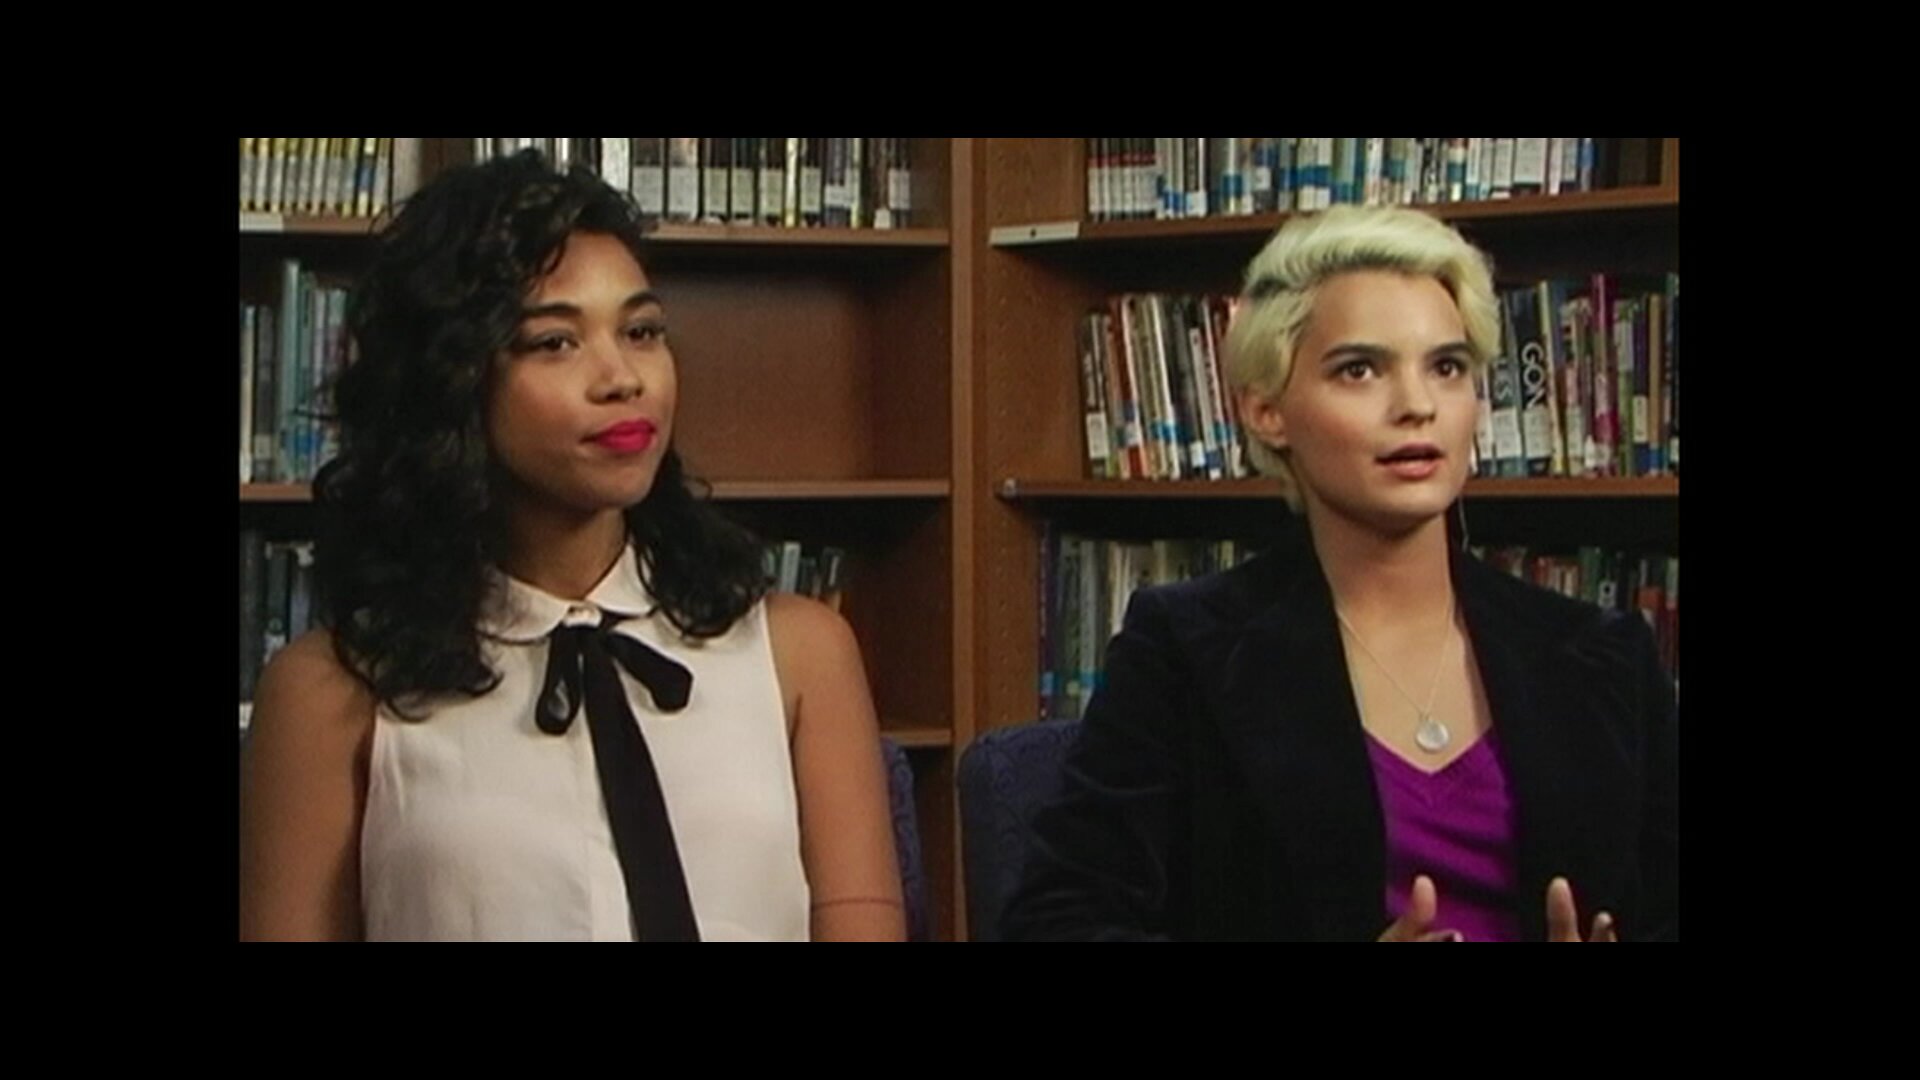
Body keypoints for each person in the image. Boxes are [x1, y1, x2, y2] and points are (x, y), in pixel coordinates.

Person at [239, 150, 904, 941]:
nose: (622, 378)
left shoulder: (801, 653)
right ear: (455, 381)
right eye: (555, 342)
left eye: (642, 331)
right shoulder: (330, 692)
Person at [1002, 205, 1677, 941]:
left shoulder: (1606, 655)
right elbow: (1057, 923)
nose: (1416, 406)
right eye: (1360, 370)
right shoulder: (1184, 650)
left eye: (1447, 367)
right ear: (1266, 411)